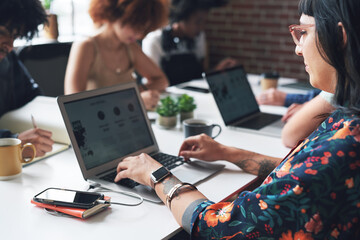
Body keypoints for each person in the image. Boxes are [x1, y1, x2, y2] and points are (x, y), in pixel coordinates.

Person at [114, 0, 360, 238]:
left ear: (339, 37)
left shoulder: (346, 142)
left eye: (303, 32)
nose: (297, 47)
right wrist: (228, 153)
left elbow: (217, 227)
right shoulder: (347, 122)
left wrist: (157, 175)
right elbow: (300, 174)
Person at [64, 0, 169, 110]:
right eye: (134, 25)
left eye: (142, 28)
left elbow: (161, 81)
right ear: (114, 14)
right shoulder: (86, 46)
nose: (139, 34)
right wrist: (133, 98)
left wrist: (138, 92)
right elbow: (72, 101)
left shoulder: (130, 46)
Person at [0, 0, 54, 157]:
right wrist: (12, 141)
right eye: (3, 32)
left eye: (15, 36)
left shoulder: (8, 61)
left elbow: (34, 100)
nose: (9, 46)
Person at [142, 0, 238, 86]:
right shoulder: (154, 41)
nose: (201, 28)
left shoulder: (199, 37)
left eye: (204, 22)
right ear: (181, 18)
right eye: (197, 22)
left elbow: (201, 74)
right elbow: (151, 81)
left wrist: (218, 70)